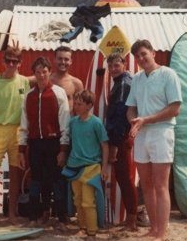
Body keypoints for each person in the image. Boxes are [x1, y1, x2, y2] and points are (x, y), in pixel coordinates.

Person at [126, 39, 182, 241]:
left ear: (153, 52)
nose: (141, 59)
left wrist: (146, 119)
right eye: (137, 56)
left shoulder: (169, 74)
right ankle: (153, 228)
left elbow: (175, 108)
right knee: (146, 185)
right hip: (142, 134)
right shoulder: (137, 79)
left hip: (162, 132)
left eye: (143, 54)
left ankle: (162, 232)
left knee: (160, 185)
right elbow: (131, 107)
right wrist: (133, 121)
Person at [0, 45, 30, 229]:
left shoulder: (24, 82)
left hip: (17, 131)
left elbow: (44, 80)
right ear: (3, 61)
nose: (11, 64)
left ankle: (11, 214)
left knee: (15, 175)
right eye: (8, 60)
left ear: (20, 63)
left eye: (14, 61)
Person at [18, 57, 70, 230]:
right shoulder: (28, 96)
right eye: (38, 72)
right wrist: (21, 150)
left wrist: (63, 149)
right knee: (36, 182)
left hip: (54, 143)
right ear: (34, 74)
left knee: (57, 181)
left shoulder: (58, 92)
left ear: (49, 72)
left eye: (44, 71)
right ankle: (35, 216)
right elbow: (24, 125)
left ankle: (61, 219)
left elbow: (65, 123)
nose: (41, 75)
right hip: (35, 144)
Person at [65, 90, 109, 241]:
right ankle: (82, 228)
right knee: (77, 199)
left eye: (80, 104)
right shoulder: (72, 122)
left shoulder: (96, 122)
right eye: (75, 103)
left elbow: (105, 146)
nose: (76, 106)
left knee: (88, 202)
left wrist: (103, 168)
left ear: (89, 105)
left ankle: (92, 231)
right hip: (74, 167)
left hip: (91, 167)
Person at [105, 52, 138, 230]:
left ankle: (132, 220)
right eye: (110, 66)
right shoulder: (119, 82)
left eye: (116, 65)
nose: (113, 69)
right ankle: (132, 217)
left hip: (121, 138)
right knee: (123, 177)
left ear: (124, 65)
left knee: (125, 178)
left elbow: (120, 116)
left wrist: (115, 145)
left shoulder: (124, 84)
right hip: (120, 137)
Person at [50, 46, 84, 113]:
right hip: (49, 122)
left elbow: (81, 108)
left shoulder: (76, 83)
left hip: (68, 122)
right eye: (60, 59)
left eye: (66, 59)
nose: (63, 62)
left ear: (71, 61)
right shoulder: (47, 81)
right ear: (54, 60)